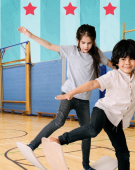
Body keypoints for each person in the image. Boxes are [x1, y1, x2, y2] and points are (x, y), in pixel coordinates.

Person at [49, 39, 135, 170]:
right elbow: (93, 84)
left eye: (131, 59)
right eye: (123, 59)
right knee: (93, 129)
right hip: (103, 110)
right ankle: (60, 140)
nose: (127, 63)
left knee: (123, 153)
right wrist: (71, 93)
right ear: (117, 61)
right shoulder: (113, 75)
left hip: (116, 120)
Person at [17, 24, 115, 170]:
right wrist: (30, 36)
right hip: (68, 95)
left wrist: (127, 70)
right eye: (83, 43)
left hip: (84, 100)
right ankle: (32, 145)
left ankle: (86, 165)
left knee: (87, 130)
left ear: (93, 41)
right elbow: (50, 46)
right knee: (58, 121)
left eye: (89, 43)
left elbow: (110, 64)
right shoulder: (71, 50)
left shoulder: (96, 54)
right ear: (78, 40)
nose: (86, 46)